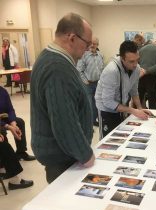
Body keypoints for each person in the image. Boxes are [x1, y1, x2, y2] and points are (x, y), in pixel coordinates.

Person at [30, 13, 95, 184]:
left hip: (64, 155)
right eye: (87, 43)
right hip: (63, 159)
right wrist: (86, 155)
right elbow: (64, 122)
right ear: (72, 38)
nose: (88, 48)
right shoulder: (57, 67)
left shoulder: (51, 58)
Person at [95, 40, 151, 138]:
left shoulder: (136, 68)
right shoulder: (112, 71)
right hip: (106, 109)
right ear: (122, 59)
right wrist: (133, 110)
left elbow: (134, 90)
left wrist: (140, 109)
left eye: (137, 60)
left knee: (121, 137)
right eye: (131, 61)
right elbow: (107, 101)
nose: (135, 64)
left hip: (121, 106)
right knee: (108, 138)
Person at [0, 86, 35, 161]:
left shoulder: (3, 91)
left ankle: (21, 152)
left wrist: (13, 123)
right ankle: (6, 158)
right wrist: (8, 126)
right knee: (2, 129)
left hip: (4, 117)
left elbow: (10, 109)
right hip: (1, 121)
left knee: (20, 122)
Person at [77, 37, 104, 126]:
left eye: (95, 43)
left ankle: (94, 120)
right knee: (89, 104)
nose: (93, 45)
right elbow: (79, 70)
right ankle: (89, 122)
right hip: (88, 84)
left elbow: (102, 68)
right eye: (91, 43)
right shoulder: (84, 55)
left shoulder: (100, 55)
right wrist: (85, 81)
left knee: (98, 102)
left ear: (97, 45)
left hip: (98, 83)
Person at [138, 41, 156, 109]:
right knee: (152, 100)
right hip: (153, 77)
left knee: (138, 98)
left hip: (140, 76)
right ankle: (152, 117)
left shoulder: (142, 49)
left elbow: (136, 61)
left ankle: (134, 115)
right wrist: (147, 71)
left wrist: (142, 70)